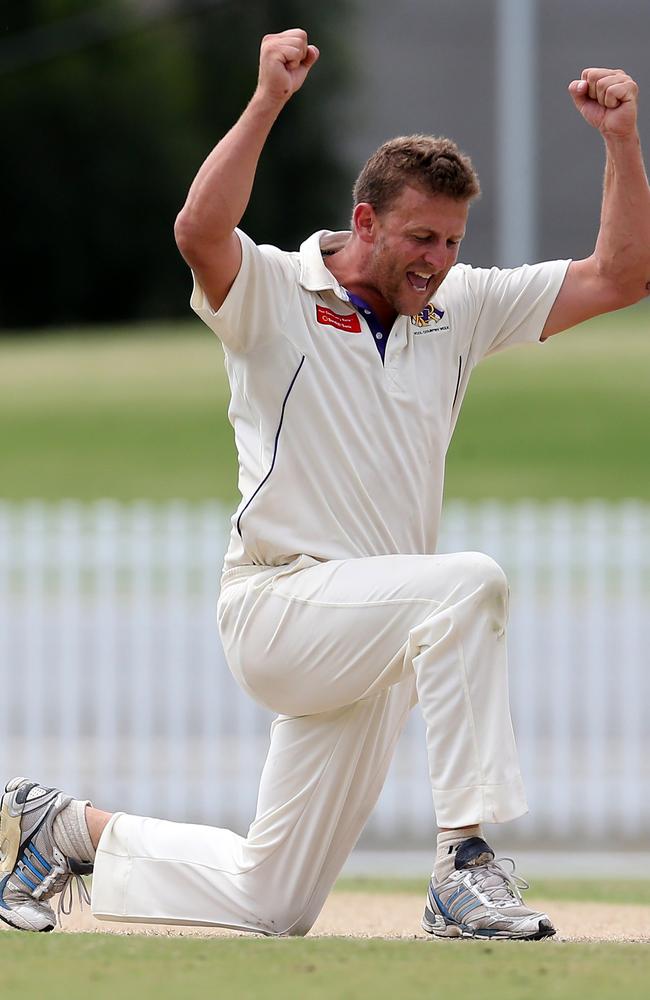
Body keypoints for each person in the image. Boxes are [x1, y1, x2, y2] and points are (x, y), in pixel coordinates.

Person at [1, 31, 648, 940]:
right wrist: (267, 98)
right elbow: (197, 232)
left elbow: (620, 276)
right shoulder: (273, 287)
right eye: (422, 237)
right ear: (368, 221)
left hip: (377, 636)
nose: (439, 261)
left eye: (455, 241)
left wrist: (621, 140)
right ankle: (464, 861)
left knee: (274, 901)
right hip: (279, 605)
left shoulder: (457, 307)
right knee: (471, 581)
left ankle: (61, 828)